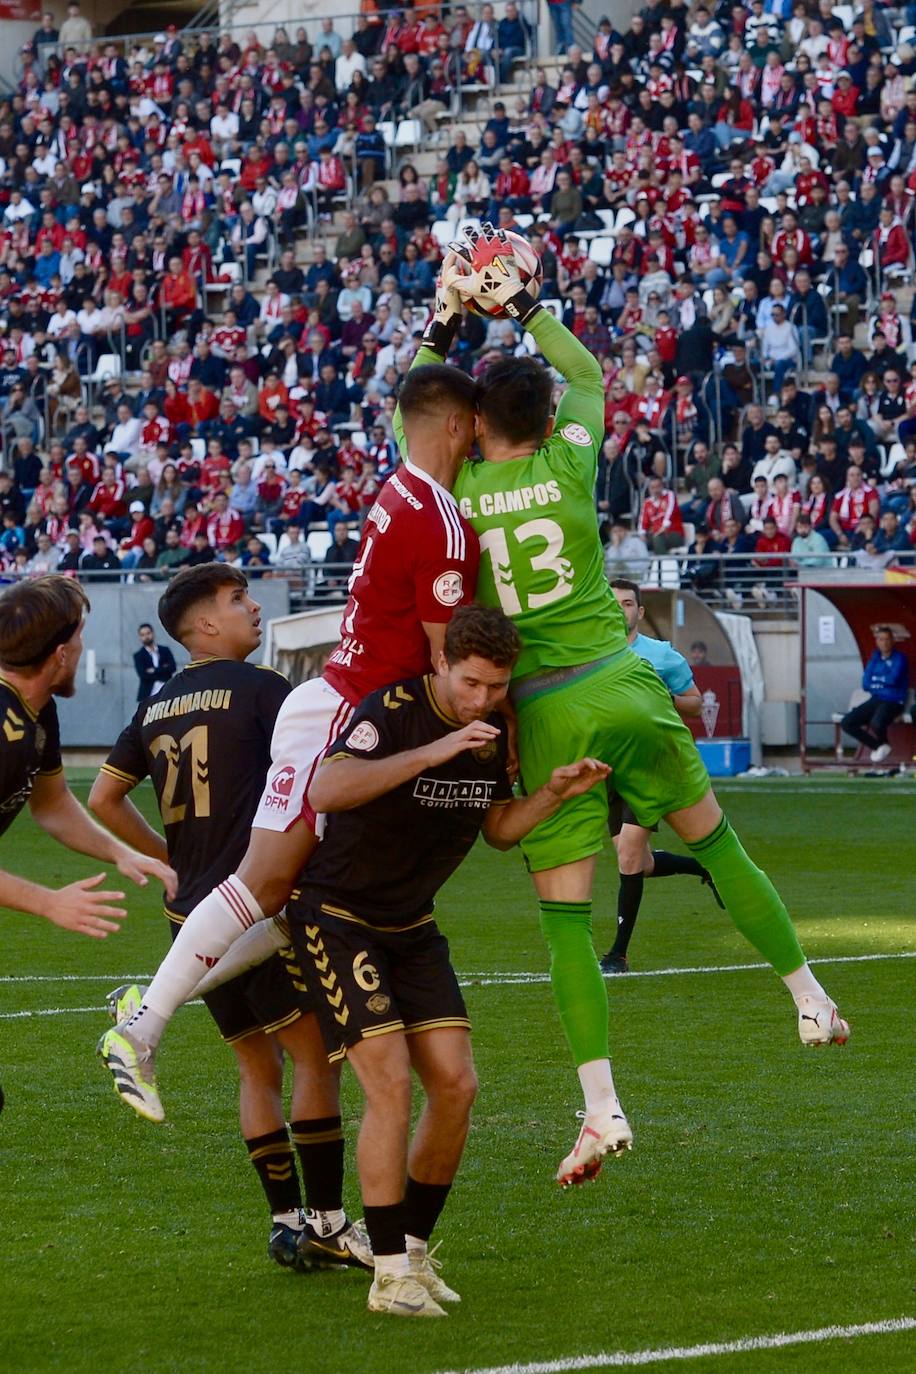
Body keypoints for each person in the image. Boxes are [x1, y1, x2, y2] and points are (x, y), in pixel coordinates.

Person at [445, 225, 849, 1185]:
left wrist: (443, 327)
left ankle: (600, 1108)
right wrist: (522, 309)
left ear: (474, 429)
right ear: (548, 423)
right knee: (717, 845)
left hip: (542, 711)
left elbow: (403, 424)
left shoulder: (456, 488)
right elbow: (584, 370)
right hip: (623, 678)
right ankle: (807, 996)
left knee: (562, 927)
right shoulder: (569, 466)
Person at [92, 309, 482, 1127]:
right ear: (458, 424)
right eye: (475, 421)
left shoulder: (399, 485)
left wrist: (443, 327)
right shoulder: (445, 524)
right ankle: (144, 1024)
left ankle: (149, 1005)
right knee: (265, 883)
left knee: (294, 890)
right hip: (346, 715)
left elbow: (416, 400)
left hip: (334, 701)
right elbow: (446, 660)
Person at [293, 605, 609, 1316]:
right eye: (470, 684)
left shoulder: (496, 731)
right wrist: (429, 753)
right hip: (338, 917)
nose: (482, 701)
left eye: (495, 688)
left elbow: (497, 830)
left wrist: (553, 794)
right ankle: (387, 1276)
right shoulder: (392, 711)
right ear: (441, 664)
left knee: (458, 1087)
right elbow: (325, 790)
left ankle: (412, 1254)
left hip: (411, 926)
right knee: (391, 1086)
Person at [92, 567, 369, 1271]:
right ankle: (329, 1222)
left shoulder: (155, 705)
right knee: (315, 1060)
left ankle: (283, 1223)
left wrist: (168, 858)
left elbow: (103, 796)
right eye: (238, 601)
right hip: (254, 904)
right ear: (205, 625)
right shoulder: (263, 690)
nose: (252, 609)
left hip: (190, 913)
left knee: (256, 1069)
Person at [0, 576, 174, 940]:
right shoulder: (6, 731)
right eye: (79, 636)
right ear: (61, 653)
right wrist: (47, 902)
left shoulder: (36, 707)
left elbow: (52, 804)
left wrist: (121, 853)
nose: (83, 646)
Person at [598, 581, 724, 975]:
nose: (620, 610)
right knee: (639, 862)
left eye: (628, 603)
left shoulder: (660, 655)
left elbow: (695, 701)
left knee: (629, 855)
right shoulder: (590, 654)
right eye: (612, 603)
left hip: (650, 764)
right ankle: (704, 868)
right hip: (609, 769)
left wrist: (663, 699)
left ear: (640, 610)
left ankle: (618, 954)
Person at [837, 626, 909, 764]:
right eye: (881, 639)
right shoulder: (875, 657)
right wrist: (881, 683)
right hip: (876, 699)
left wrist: (876, 681)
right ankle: (879, 746)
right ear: (877, 641)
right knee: (847, 722)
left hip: (894, 701)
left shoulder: (900, 658)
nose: (885, 642)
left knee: (876, 722)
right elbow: (865, 683)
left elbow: (893, 680)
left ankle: (883, 745)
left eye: (888, 639)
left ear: (893, 641)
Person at [132, 622, 177, 702]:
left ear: (153, 633)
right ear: (140, 637)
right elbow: (143, 675)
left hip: (167, 692)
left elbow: (173, 667)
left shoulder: (165, 650)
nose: (146, 637)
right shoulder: (138, 655)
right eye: (143, 635)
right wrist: (163, 670)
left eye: (148, 633)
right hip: (148, 694)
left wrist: (154, 670)